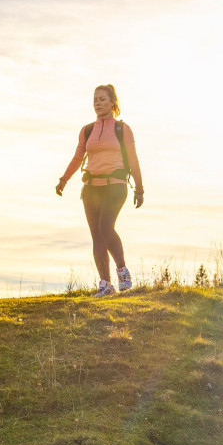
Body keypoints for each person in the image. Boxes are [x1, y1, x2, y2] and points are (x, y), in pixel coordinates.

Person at [56, 84, 144, 298]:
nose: (97, 103)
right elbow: (78, 157)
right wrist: (64, 179)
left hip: (115, 185)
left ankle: (122, 271)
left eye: (102, 99)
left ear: (113, 102)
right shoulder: (87, 130)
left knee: (106, 227)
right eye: (95, 99)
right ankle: (105, 284)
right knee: (96, 235)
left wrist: (139, 189)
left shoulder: (122, 129)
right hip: (91, 188)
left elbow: (132, 159)